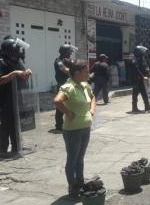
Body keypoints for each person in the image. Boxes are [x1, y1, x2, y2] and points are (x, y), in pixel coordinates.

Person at [53, 60, 95, 197]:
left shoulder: (84, 85)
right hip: (73, 130)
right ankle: (73, 187)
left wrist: (92, 109)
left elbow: (92, 96)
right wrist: (68, 113)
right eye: (86, 71)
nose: (89, 74)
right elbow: (57, 101)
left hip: (85, 128)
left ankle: (80, 183)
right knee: (72, 159)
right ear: (77, 73)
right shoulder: (69, 86)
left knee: (80, 159)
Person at [0, 37, 32, 158]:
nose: (16, 56)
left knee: (17, 121)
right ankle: (3, 149)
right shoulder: (0, 62)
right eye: (14, 54)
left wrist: (26, 73)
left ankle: (17, 145)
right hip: (6, 96)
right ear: (7, 52)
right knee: (6, 122)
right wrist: (14, 73)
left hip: (18, 94)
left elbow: (22, 75)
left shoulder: (18, 62)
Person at [54, 44, 77, 130]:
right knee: (61, 104)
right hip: (62, 85)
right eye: (70, 51)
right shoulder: (59, 61)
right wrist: (74, 68)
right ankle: (59, 124)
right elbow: (65, 70)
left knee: (72, 102)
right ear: (65, 52)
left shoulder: (69, 60)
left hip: (71, 84)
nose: (71, 53)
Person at [131, 46, 150, 112]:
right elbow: (136, 70)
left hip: (143, 79)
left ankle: (147, 106)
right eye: (141, 52)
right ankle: (134, 107)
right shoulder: (134, 60)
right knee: (135, 94)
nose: (143, 53)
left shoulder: (142, 59)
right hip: (136, 79)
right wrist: (142, 76)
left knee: (145, 93)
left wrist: (149, 75)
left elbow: (146, 68)